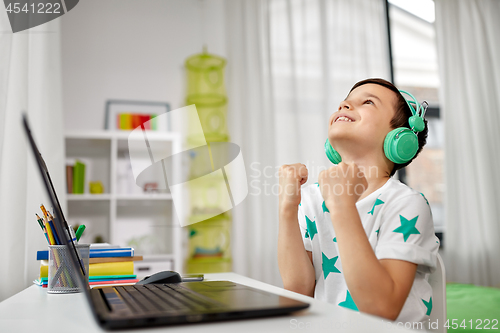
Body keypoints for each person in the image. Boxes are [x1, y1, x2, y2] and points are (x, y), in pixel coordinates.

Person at [278, 78, 439, 324]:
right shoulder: (310, 198)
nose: (344, 105)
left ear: (399, 138)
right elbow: (299, 293)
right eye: (344, 103)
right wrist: (288, 208)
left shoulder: (406, 203)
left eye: (367, 102)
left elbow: (381, 309)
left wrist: (341, 204)